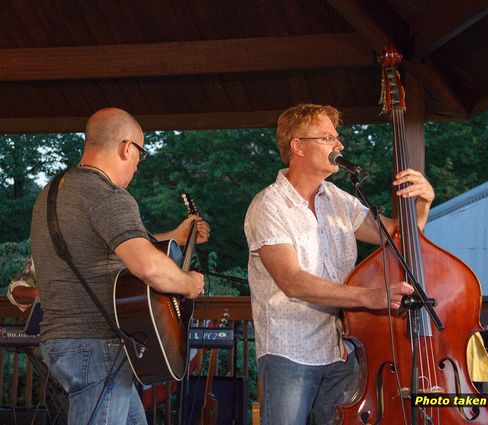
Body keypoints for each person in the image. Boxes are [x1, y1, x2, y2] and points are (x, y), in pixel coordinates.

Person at [243, 103, 434, 425]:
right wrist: (367, 296)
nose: (340, 145)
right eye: (328, 137)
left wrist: (423, 202)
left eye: (337, 136)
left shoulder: (337, 198)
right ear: (298, 146)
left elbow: (397, 237)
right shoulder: (268, 205)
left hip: (343, 347)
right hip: (290, 349)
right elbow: (292, 280)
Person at [29, 107, 210, 425]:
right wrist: (188, 283)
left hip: (62, 340)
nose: (139, 164)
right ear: (128, 147)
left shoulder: (54, 192)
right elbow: (147, 266)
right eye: (141, 153)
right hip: (96, 346)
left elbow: (109, 245)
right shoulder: (108, 194)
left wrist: (175, 237)